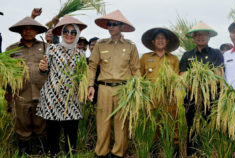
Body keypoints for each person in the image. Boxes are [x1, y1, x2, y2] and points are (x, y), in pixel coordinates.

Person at [87, 10, 140, 158]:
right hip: (104, 88)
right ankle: (101, 153)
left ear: (122, 26)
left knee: (121, 124)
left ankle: (118, 153)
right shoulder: (100, 44)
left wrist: (137, 90)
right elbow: (92, 66)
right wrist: (91, 85)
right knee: (102, 123)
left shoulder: (131, 46)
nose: (110, 27)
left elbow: (136, 69)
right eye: (109, 24)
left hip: (124, 89)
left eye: (114, 24)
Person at [36, 15, 87, 155]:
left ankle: (70, 153)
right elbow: (44, 71)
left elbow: (83, 76)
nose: (69, 35)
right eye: (66, 31)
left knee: (71, 130)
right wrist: (42, 68)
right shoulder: (52, 49)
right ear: (61, 33)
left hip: (72, 97)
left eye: (73, 32)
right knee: (53, 130)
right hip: (53, 94)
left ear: (77, 34)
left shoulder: (81, 54)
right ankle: (53, 153)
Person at [179, 21, 224, 156]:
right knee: (192, 128)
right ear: (193, 38)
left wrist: (204, 85)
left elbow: (219, 75)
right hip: (191, 99)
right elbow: (182, 75)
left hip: (211, 99)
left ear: (209, 36)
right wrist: (192, 86)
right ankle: (192, 154)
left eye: (204, 35)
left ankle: (210, 153)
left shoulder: (216, 54)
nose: (200, 37)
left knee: (211, 128)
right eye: (197, 35)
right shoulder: (187, 55)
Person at [5, 16, 48, 155]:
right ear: (20, 32)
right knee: (22, 124)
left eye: (31, 29)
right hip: (20, 95)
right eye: (25, 29)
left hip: (42, 93)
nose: (28, 31)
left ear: (36, 31)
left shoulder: (46, 47)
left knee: (41, 124)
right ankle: (24, 152)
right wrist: (8, 93)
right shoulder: (11, 50)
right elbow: (6, 73)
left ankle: (40, 150)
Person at [140, 27, 180, 156]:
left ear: (167, 41)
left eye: (163, 38)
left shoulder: (173, 59)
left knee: (171, 123)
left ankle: (172, 151)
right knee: (152, 124)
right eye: (158, 38)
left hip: (169, 97)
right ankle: (153, 150)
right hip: (151, 98)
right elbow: (139, 77)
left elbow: (177, 78)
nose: (160, 40)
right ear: (153, 41)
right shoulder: (145, 57)